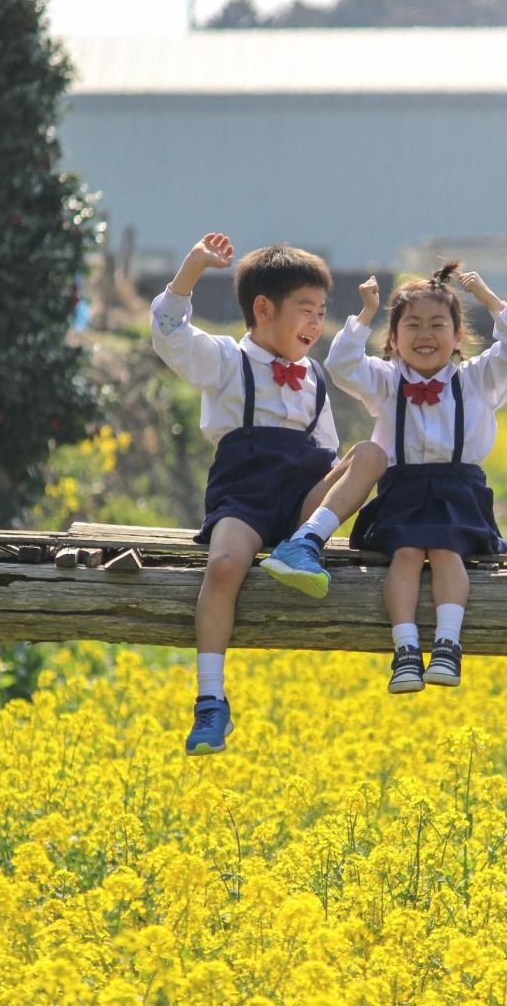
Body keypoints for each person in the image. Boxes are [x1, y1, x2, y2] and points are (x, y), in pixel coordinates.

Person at [150, 232, 386, 754]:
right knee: (224, 566)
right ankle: (211, 701)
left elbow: (327, 452)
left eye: (322, 312)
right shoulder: (226, 361)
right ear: (262, 308)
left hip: (303, 505)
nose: (315, 324)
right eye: (305, 310)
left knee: (370, 454)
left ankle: (307, 544)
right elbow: (169, 331)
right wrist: (192, 267)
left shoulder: (316, 379)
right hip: (245, 498)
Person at [325, 263, 507, 693]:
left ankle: (447, 645)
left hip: (459, 491)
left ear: (459, 338)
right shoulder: (384, 380)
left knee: (444, 550)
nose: (426, 334)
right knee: (404, 554)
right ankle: (404, 650)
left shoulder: (477, 379)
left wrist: (490, 300)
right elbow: (341, 365)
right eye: (413, 325)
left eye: (439, 324)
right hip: (401, 488)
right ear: (393, 340)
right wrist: (365, 315)